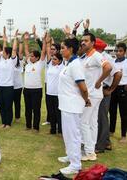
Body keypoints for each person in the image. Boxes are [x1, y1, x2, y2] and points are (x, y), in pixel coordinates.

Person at [79, 20, 112, 161]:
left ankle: (88, 152)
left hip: (92, 94)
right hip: (93, 94)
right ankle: (91, 151)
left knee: (84, 122)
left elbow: (108, 67)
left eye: (86, 41)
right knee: (92, 122)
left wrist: (99, 81)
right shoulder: (87, 56)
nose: (83, 43)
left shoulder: (96, 55)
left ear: (93, 43)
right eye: (82, 41)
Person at [57, 37, 90, 175]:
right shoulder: (68, 63)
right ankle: (70, 156)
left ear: (70, 49)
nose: (61, 50)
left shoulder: (75, 64)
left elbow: (83, 87)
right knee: (67, 134)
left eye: (63, 48)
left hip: (73, 105)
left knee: (73, 135)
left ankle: (76, 164)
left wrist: (86, 100)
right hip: (66, 105)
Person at [94, 39, 122, 153]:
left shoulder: (106, 58)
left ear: (98, 48)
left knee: (101, 118)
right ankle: (106, 142)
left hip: (103, 90)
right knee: (100, 118)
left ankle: (100, 146)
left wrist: (111, 90)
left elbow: (118, 74)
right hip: (99, 90)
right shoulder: (99, 57)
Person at [23, 26, 46, 131]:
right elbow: (26, 50)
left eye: (32, 56)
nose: (30, 57)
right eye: (30, 56)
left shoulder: (40, 63)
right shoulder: (28, 63)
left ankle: (36, 127)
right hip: (27, 89)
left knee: (36, 109)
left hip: (37, 90)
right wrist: (26, 40)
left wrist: (42, 41)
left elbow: (44, 51)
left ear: (37, 57)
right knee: (28, 109)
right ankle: (28, 126)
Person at [0, 27, 17, 128]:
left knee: (8, 105)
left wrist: (14, 38)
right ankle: (3, 122)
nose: (1, 53)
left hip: (8, 86)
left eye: (3, 52)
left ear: (7, 54)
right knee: (1, 105)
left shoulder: (12, 61)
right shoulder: (0, 60)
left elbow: (14, 49)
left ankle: (8, 123)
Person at [45, 34, 64, 134]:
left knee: (58, 113)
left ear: (60, 60)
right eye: (52, 59)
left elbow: (62, 52)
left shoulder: (62, 66)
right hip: (49, 93)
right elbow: (48, 52)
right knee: (51, 113)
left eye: (55, 59)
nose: (53, 60)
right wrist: (47, 42)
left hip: (57, 94)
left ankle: (60, 130)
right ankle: (52, 129)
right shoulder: (50, 65)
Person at [109, 42, 127, 143]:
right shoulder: (112, 62)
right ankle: (111, 131)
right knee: (112, 111)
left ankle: (124, 135)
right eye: (116, 51)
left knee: (123, 113)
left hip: (123, 89)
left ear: (124, 52)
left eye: (120, 51)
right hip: (113, 88)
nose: (118, 53)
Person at [12, 30, 24, 122]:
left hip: (18, 85)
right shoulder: (11, 60)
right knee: (9, 102)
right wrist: (15, 38)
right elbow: (14, 50)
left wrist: (20, 41)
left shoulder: (20, 61)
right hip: (10, 85)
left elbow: (19, 51)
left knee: (17, 102)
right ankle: (11, 116)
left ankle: (17, 117)